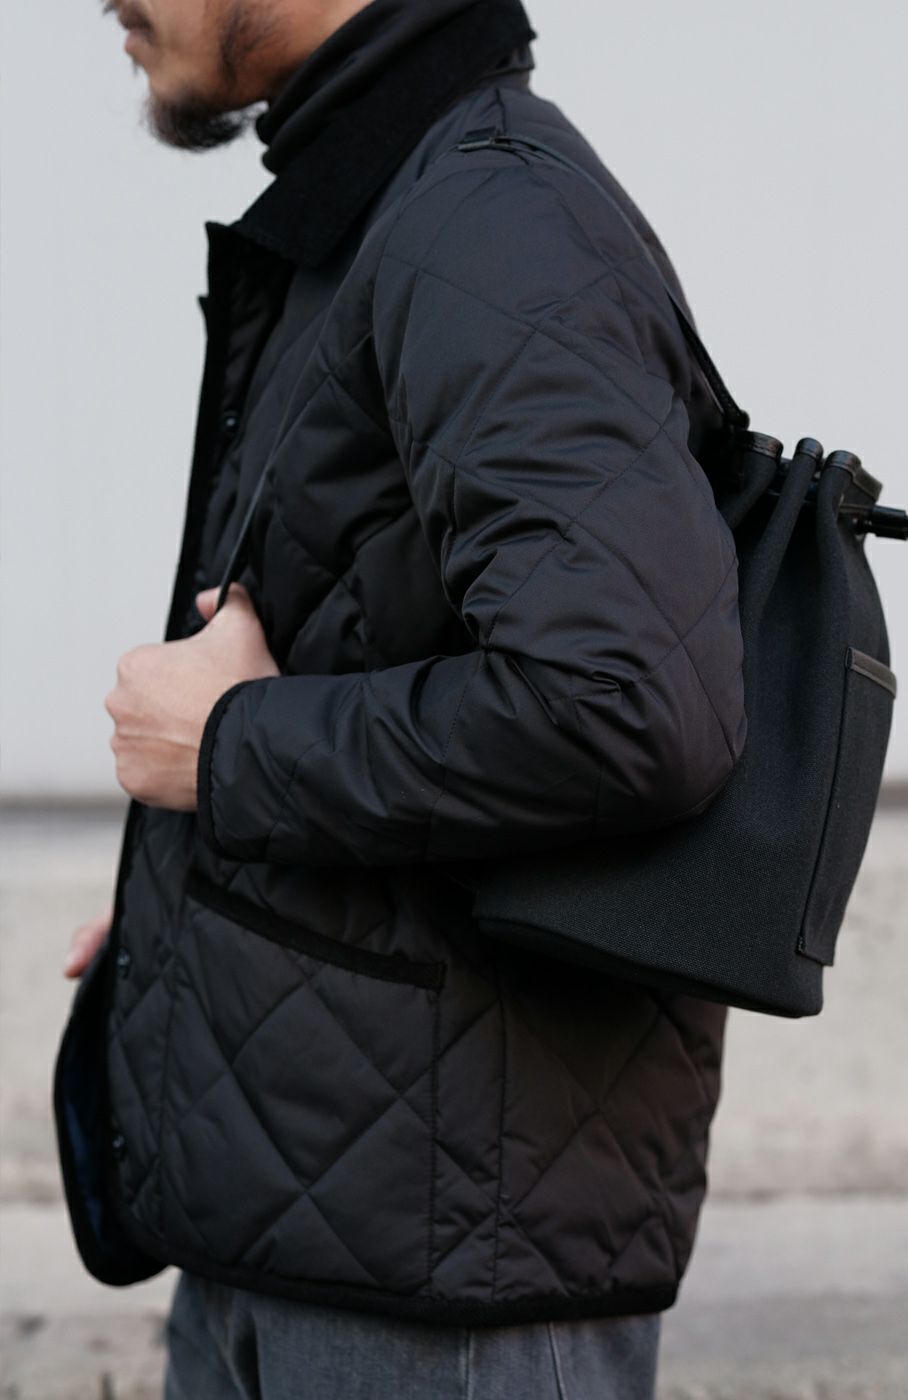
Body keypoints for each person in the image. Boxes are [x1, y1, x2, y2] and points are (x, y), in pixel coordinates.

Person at [55, 0, 748, 1395]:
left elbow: (621, 705)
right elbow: (360, 641)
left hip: (441, 1287)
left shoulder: (494, 223)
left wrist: (230, 747)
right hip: (313, 1229)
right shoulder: (386, 203)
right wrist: (194, 911)